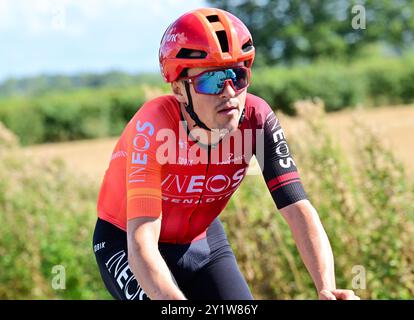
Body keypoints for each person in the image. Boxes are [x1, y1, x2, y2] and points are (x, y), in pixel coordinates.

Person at [92, 7, 360, 300]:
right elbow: (142, 244)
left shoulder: (257, 119)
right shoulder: (153, 126)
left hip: (202, 242)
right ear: (179, 90)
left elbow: (298, 210)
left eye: (238, 75)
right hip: (125, 241)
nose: (229, 92)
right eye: (211, 80)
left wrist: (326, 288)